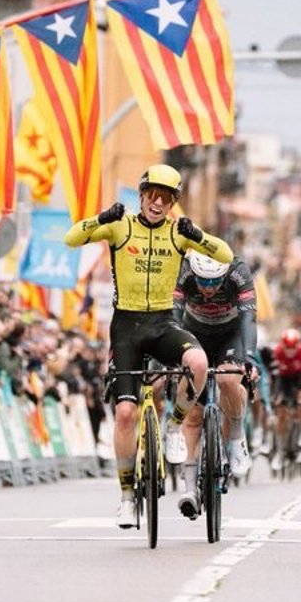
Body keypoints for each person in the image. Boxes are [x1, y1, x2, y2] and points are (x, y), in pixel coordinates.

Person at [64, 164, 232, 528]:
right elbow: (72, 238)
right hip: (126, 327)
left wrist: (197, 235)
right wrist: (101, 218)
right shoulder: (120, 226)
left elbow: (225, 255)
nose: (157, 203)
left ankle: (173, 426)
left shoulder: (177, 233)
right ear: (141, 196)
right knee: (126, 414)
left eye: (166, 199)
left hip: (162, 323)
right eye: (152, 196)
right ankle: (126, 497)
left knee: (198, 364)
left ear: (173, 203)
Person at [172, 251, 257, 479]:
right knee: (193, 415)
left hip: (230, 336)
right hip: (194, 333)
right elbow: (174, 315)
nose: (208, 288)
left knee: (227, 379)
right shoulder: (184, 269)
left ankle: (237, 437)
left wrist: (249, 356)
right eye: (202, 281)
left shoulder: (238, 271)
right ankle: (190, 483)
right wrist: (173, 352)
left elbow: (249, 318)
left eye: (214, 282)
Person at [271, 327, 301, 472]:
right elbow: (270, 374)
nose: (290, 351)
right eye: (287, 347)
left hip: (299, 378)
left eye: (293, 348)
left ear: (298, 345)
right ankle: (280, 450)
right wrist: (273, 396)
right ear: (282, 345)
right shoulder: (277, 352)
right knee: (281, 410)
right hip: (283, 379)